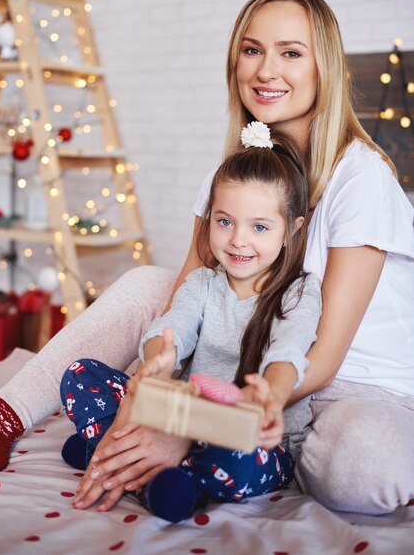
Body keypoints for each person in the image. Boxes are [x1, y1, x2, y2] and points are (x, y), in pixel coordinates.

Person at [0, 0, 413, 516]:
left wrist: (188, 423)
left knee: (365, 469)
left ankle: (219, 451)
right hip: (247, 362)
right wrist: (162, 396)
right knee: (151, 284)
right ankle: (8, 410)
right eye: (252, 49)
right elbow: (188, 296)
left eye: (290, 53)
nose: (266, 71)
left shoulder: (361, 176)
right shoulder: (235, 169)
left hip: (336, 384)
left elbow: (322, 355)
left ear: (323, 69)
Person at [59, 134, 321, 522]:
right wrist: (158, 361)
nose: (238, 240)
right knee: (81, 374)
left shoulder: (300, 291)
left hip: (244, 435)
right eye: (225, 221)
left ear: (293, 230)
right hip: (180, 420)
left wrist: (273, 392)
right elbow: (172, 328)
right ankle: (127, 453)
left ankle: (141, 469)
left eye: (260, 227)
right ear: (210, 216)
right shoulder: (202, 283)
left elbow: (290, 350)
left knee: (246, 462)